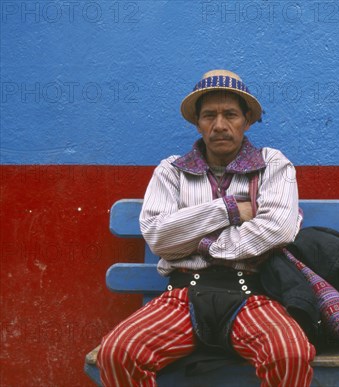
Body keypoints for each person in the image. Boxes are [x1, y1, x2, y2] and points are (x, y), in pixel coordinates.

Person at [97, 69, 315, 386]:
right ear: (197, 123)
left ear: (248, 119)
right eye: (209, 115)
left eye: (230, 114)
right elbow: (159, 237)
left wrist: (203, 244)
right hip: (182, 295)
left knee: (290, 354)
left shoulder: (273, 164)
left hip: (252, 294)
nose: (220, 125)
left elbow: (278, 229)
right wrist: (226, 210)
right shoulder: (170, 171)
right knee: (117, 353)